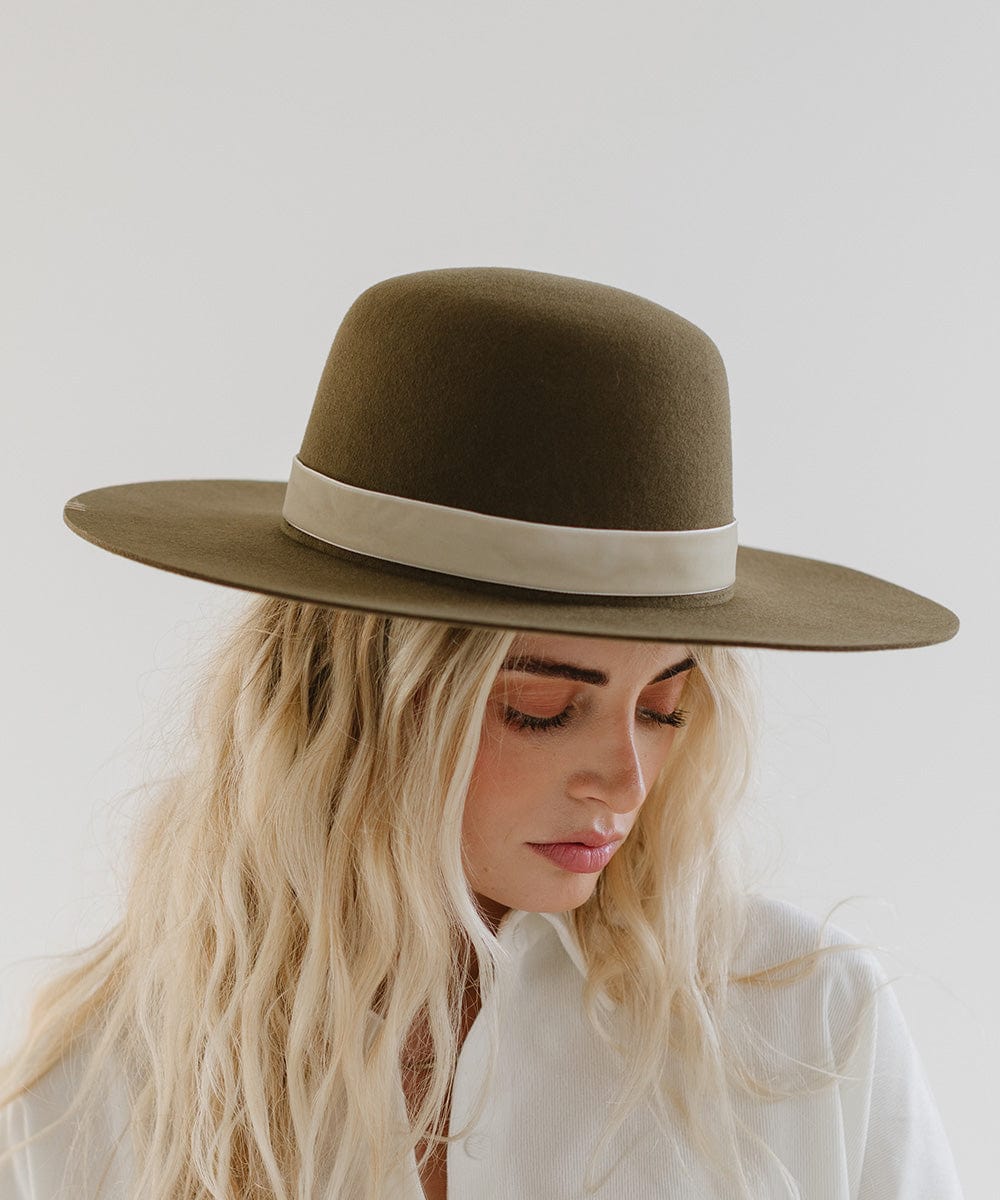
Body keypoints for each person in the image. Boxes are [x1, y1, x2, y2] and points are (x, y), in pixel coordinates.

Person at [0, 266, 966, 1199]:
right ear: (352, 702)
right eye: (540, 707)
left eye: (664, 706)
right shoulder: (94, 1081)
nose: (625, 781)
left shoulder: (803, 1021)